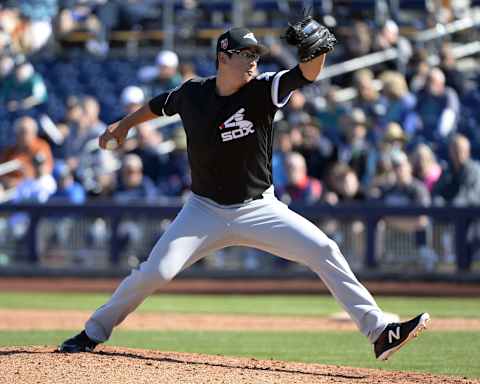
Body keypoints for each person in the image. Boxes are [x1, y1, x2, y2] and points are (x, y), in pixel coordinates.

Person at [58, 21, 429, 360]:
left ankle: (380, 332)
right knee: (154, 272)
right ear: (223, 57)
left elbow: (305, 75)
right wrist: (123, 127)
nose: (253, 61)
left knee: (323, 248)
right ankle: (92, 333)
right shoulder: (192, 94)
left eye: (256, 55)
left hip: (259, 208)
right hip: (203, 210)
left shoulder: (263, 90)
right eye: (246, 54)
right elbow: (157, 106)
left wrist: (319, 52)